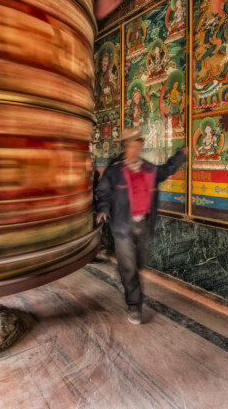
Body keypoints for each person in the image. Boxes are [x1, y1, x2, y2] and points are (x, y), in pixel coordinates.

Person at [95, 127, 187, 324]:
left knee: (139, 263)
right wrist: (103, 208)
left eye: (138, 146)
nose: (135, 149)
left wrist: (180, 156)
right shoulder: (115, 170)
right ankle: (135, 306)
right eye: (131, 146)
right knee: (130, 268)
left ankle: (124, 272)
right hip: (123, 226)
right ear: (125, 148)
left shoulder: (147, 168)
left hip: (144, 224)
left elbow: (166, 170)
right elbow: (103, 191)